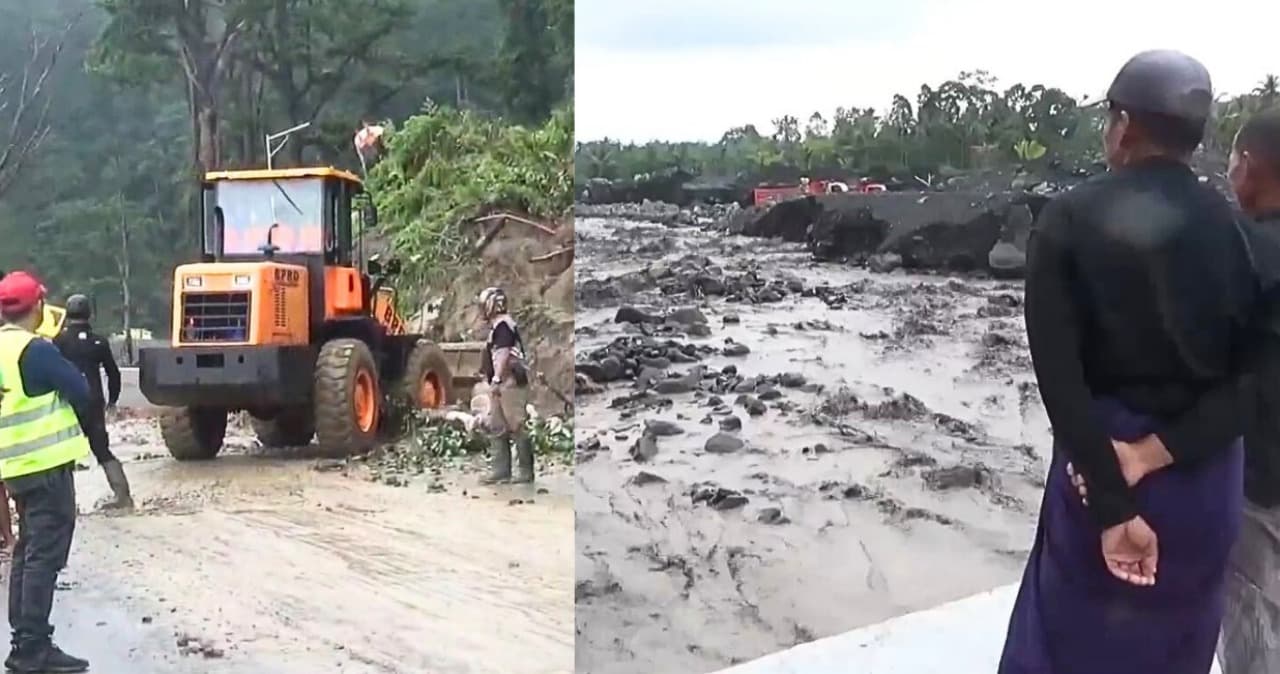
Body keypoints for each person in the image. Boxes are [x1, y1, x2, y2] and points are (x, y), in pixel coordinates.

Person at [997, 50, 1262, 674]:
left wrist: (1113, 505)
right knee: (1180, 647)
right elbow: (1254, 386)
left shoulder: (1067, 220)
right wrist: (1168, 448)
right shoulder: (1239, 233)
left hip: (1103, 476)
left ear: (1125, 124)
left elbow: (1060, 382)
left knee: (1067, 646)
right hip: (1205, 483)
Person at [1069, 108, 1280, 673]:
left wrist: (1142, 453)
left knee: (1252, 623)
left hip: (1260, 482)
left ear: (1253, 168)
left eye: (1236, 160)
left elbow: (1245, 384)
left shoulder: (1247, 252)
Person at [0, 271, 91, 673]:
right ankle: (32, 649)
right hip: (47, 468)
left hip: (16, 468)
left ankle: (24, 639)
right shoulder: (35, 350)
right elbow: (82, 389)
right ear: (37, 305)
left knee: (26, 550)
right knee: (43, 556)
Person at [52, 294, 130, 510]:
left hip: (68, 402)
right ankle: (123, 496)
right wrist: (112, 401)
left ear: (67, 314)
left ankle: (67, 504)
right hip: (94, 401)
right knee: (102, 449)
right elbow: (113, 374)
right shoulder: (99, 342)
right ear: (90, 314)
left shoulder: (59, 341)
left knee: (64, 454)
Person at [476, 287, 534, 484]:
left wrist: (496, 379)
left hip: (510, 383)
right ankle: (501, 471)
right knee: (497, 427)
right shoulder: (500, 326)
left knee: (516, 425)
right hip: (501, 384)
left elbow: (502, 354)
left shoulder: (503, 327)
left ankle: (526, 472)